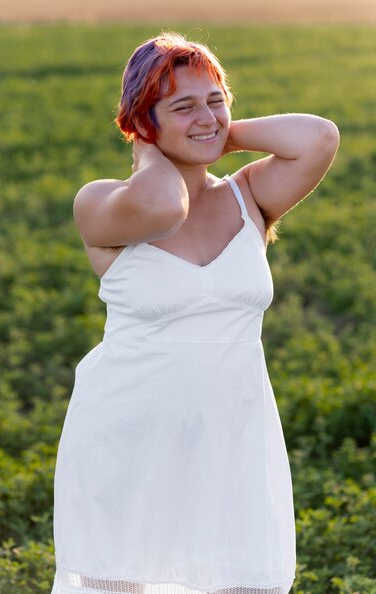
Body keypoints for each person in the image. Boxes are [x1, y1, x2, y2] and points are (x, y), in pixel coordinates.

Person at [50, 32, 339, 594]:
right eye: (182, 105)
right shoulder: (103, 202)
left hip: (233, 441)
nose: (206, 115)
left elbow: (318, 137)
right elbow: (163, 205)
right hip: (129, 442)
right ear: (142, 122)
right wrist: (152, 149)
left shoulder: (246, 195)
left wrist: (210, 133)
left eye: (216, 99)